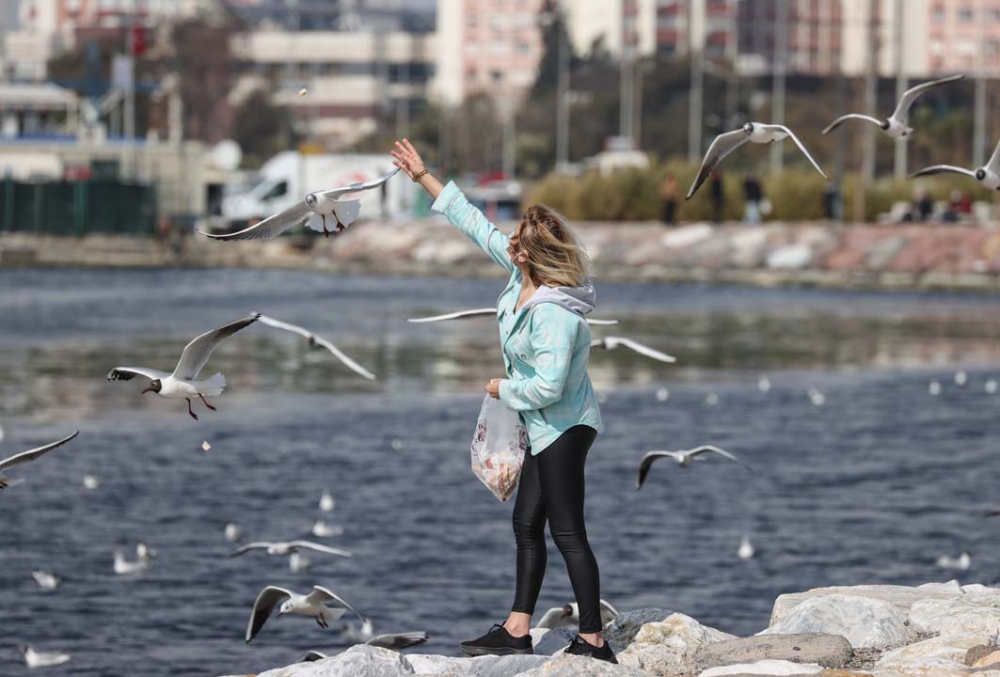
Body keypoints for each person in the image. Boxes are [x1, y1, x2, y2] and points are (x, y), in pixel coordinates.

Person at [391, 139, 614, 663]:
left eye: (518, 243)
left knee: (567, 531)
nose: (509, 245)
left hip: (564, 424)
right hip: (541, 422)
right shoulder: (521, 279)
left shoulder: (556, 313)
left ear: (534, 255)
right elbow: (476, 226)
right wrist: (425, 176)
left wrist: (500, 390)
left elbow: (550, 388)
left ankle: (595, 641)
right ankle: (518, 629)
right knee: (525, 523)